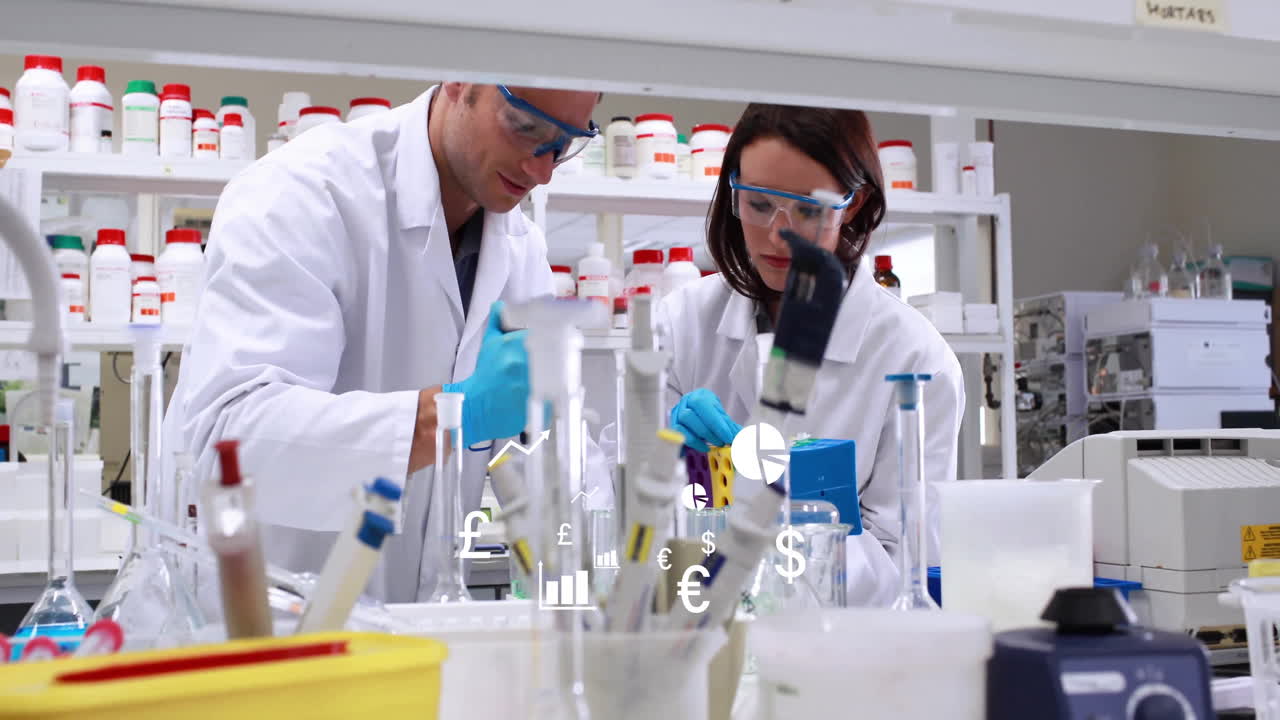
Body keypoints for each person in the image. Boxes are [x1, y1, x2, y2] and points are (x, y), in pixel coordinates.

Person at [163, 83, 599, 602]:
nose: (541, 170)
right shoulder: (302, 192)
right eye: (525, 127)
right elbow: (230, 444)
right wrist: (453, 416)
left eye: (566, 143)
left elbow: (552, 457)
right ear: (461, 82)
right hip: (264, 625)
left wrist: (628, 501)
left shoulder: (522, 250)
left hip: (409, 631)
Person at [658, 104, 964, 605]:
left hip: (839, 652)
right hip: (700, 628)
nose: (781, 234)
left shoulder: (915, 359)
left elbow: (901, 574)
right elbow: (629, 509)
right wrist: (670, 462)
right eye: (758, 204)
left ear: (856, 203)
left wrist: (804, 511)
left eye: (808, 209)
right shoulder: (683, 322)